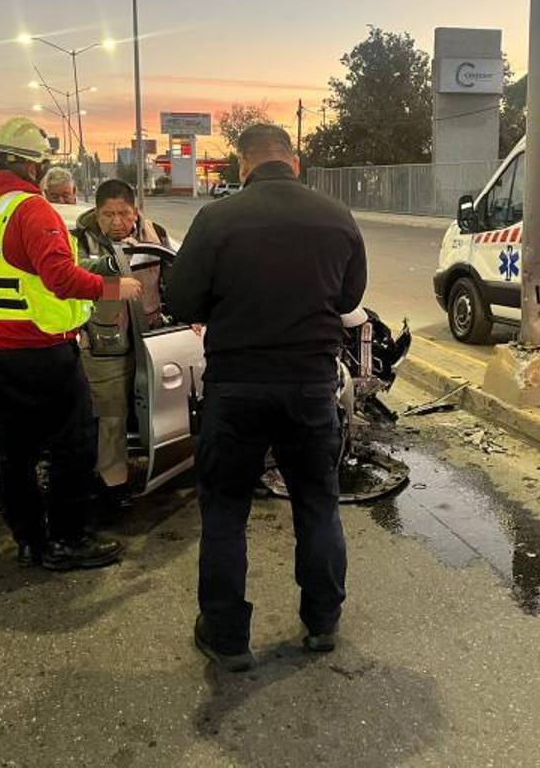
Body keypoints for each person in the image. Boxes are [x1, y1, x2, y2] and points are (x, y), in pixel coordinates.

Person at [168, 123, 367, 671]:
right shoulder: (337, 217)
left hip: (237, 387)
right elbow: (350, 296)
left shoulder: (217, 219)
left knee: (227, 511)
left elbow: (182, 296)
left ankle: (228, 637)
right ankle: (322, 622)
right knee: (317, 503)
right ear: (294, 162)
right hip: (309, 387)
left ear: (242, 164)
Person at [0, 117, 142, 571]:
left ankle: (30, 541)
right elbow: (59, 276)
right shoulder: (30, 209)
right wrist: (115, 288)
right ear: (33, 165)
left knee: (13, 456)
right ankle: (67, 541)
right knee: (72, 448)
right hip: (43, 354)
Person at [74, 179, 170, 506]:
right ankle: (112, 486)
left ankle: (161, 467)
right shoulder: (80, 240)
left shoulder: (155, 234)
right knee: (110, 418)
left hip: (152, 339)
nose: (116, 222)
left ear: (135, 211)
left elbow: (173, 274)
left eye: (123, 214)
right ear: (96, 214)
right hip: (103, 345)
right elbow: (75, 273)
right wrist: (113, 263)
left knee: (156, 410)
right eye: (107, 214)